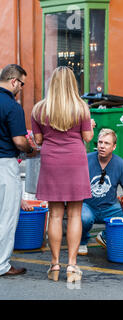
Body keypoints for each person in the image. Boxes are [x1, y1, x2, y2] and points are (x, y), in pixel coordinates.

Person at [31, 66, 94, 283]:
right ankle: (72, 266)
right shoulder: (81, 108)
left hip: (51, 161)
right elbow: (87, 137)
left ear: (52, 83)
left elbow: (38, 141)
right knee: (75, 214)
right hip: (75, 160)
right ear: (72, 84)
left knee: (55, 214)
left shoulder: (39, 109)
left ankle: (55, 264)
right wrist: (91, 126)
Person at [0, 64, 37, 277]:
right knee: (6, 217)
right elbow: (19, 141)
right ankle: (2, 265)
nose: (21, 88)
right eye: (21, 84)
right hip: (5, 164)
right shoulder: (12, 106)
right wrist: (30, 149)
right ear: (14, 81)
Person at [78, 128, 123, 255]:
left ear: (114, 147)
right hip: (87, 205)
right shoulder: (85, 160)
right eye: (100, 142)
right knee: (84, 218)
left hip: (110, 207)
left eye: (106, 143)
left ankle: (104, 236)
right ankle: (82, 242)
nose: (102, 146)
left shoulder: (121, 164)